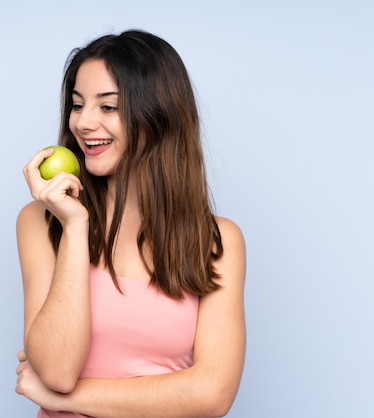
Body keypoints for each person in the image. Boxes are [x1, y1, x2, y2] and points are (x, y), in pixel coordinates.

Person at [15, 29, 246, 418]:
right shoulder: (41, 221)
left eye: (107, 107)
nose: (83, 123)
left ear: (158, 115)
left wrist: (66, 400)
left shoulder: (216, 241)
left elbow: (212, 394)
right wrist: (74, 227)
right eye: (77, 104)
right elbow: (56, 370)